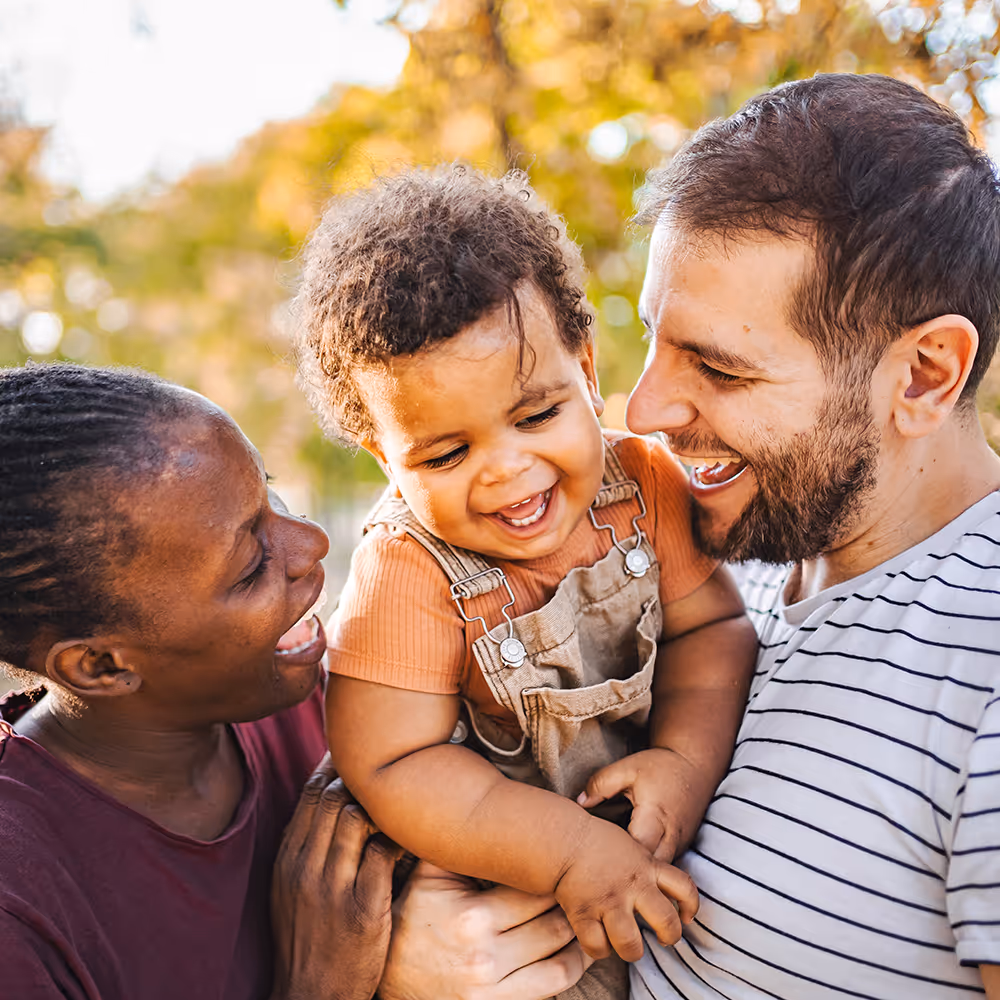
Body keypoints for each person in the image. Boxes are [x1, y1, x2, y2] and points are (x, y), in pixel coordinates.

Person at [293, 166, 757, 992]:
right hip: (505, 911)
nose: (509, 473)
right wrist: (570, 852)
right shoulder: (407, 569)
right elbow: (392, 764)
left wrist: (683, 765)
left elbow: (712, 632)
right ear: (385, 460)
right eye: (445, 453)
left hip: (642, 857)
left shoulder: (644, 486)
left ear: (585, 364)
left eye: (537, 414)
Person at [0, 362, 592, 1000]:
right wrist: (328, 986)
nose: (310, 542)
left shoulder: (347, 700)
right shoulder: (24, 909)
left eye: (271, 497)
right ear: (101, 666)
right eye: (252, 564)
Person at [617, 73, 1000, 998]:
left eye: (719, 367)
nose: (644, 409)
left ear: (923, 376)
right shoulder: (724, 573)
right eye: (654, 340)